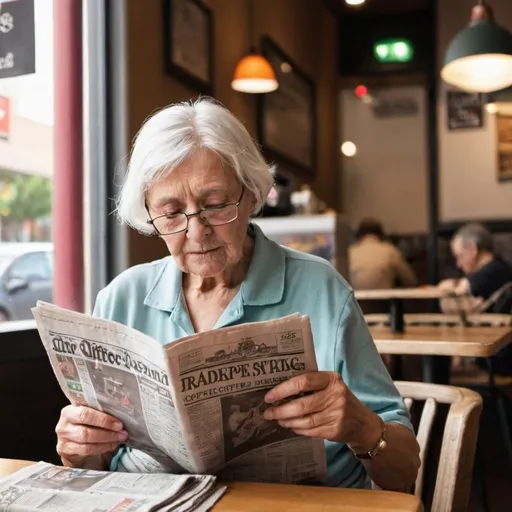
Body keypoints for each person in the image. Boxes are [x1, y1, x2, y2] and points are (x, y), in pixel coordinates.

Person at [55, 99, 419, 490]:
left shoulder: (322, 290)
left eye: (215, 205)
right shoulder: (120, 298)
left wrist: (361, 426)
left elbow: (404, 472)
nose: (196, 232)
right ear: (148, 212)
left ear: (250, 194)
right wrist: (80, 449)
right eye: (171, 213)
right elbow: (93, 466)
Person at [438, 223, 512, 311]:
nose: (458, 264)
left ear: (473, 249)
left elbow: (462, 288)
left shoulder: (495, 270)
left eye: (459, 256)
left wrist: (449, 286)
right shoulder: (497, 267)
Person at [349, 219, 417, 291]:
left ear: (358, 236)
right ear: (381, 235)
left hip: (355, 298)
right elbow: (409, 280)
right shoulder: (390, 250)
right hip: (382, 299)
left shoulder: (350, 252)